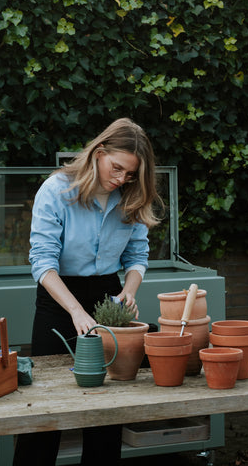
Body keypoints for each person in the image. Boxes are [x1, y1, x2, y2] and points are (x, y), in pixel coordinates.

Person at [13, 117, 162, 465]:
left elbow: (137, 255)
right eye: (117, 168)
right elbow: (42, 263)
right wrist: (76, 311)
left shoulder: (130, 196)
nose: (121, 179)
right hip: (58, 299)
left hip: (108, 296)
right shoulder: (56, 191)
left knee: (107, 413)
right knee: (46, 411)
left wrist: (129, 290)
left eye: (130, 174)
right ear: (99, 152)